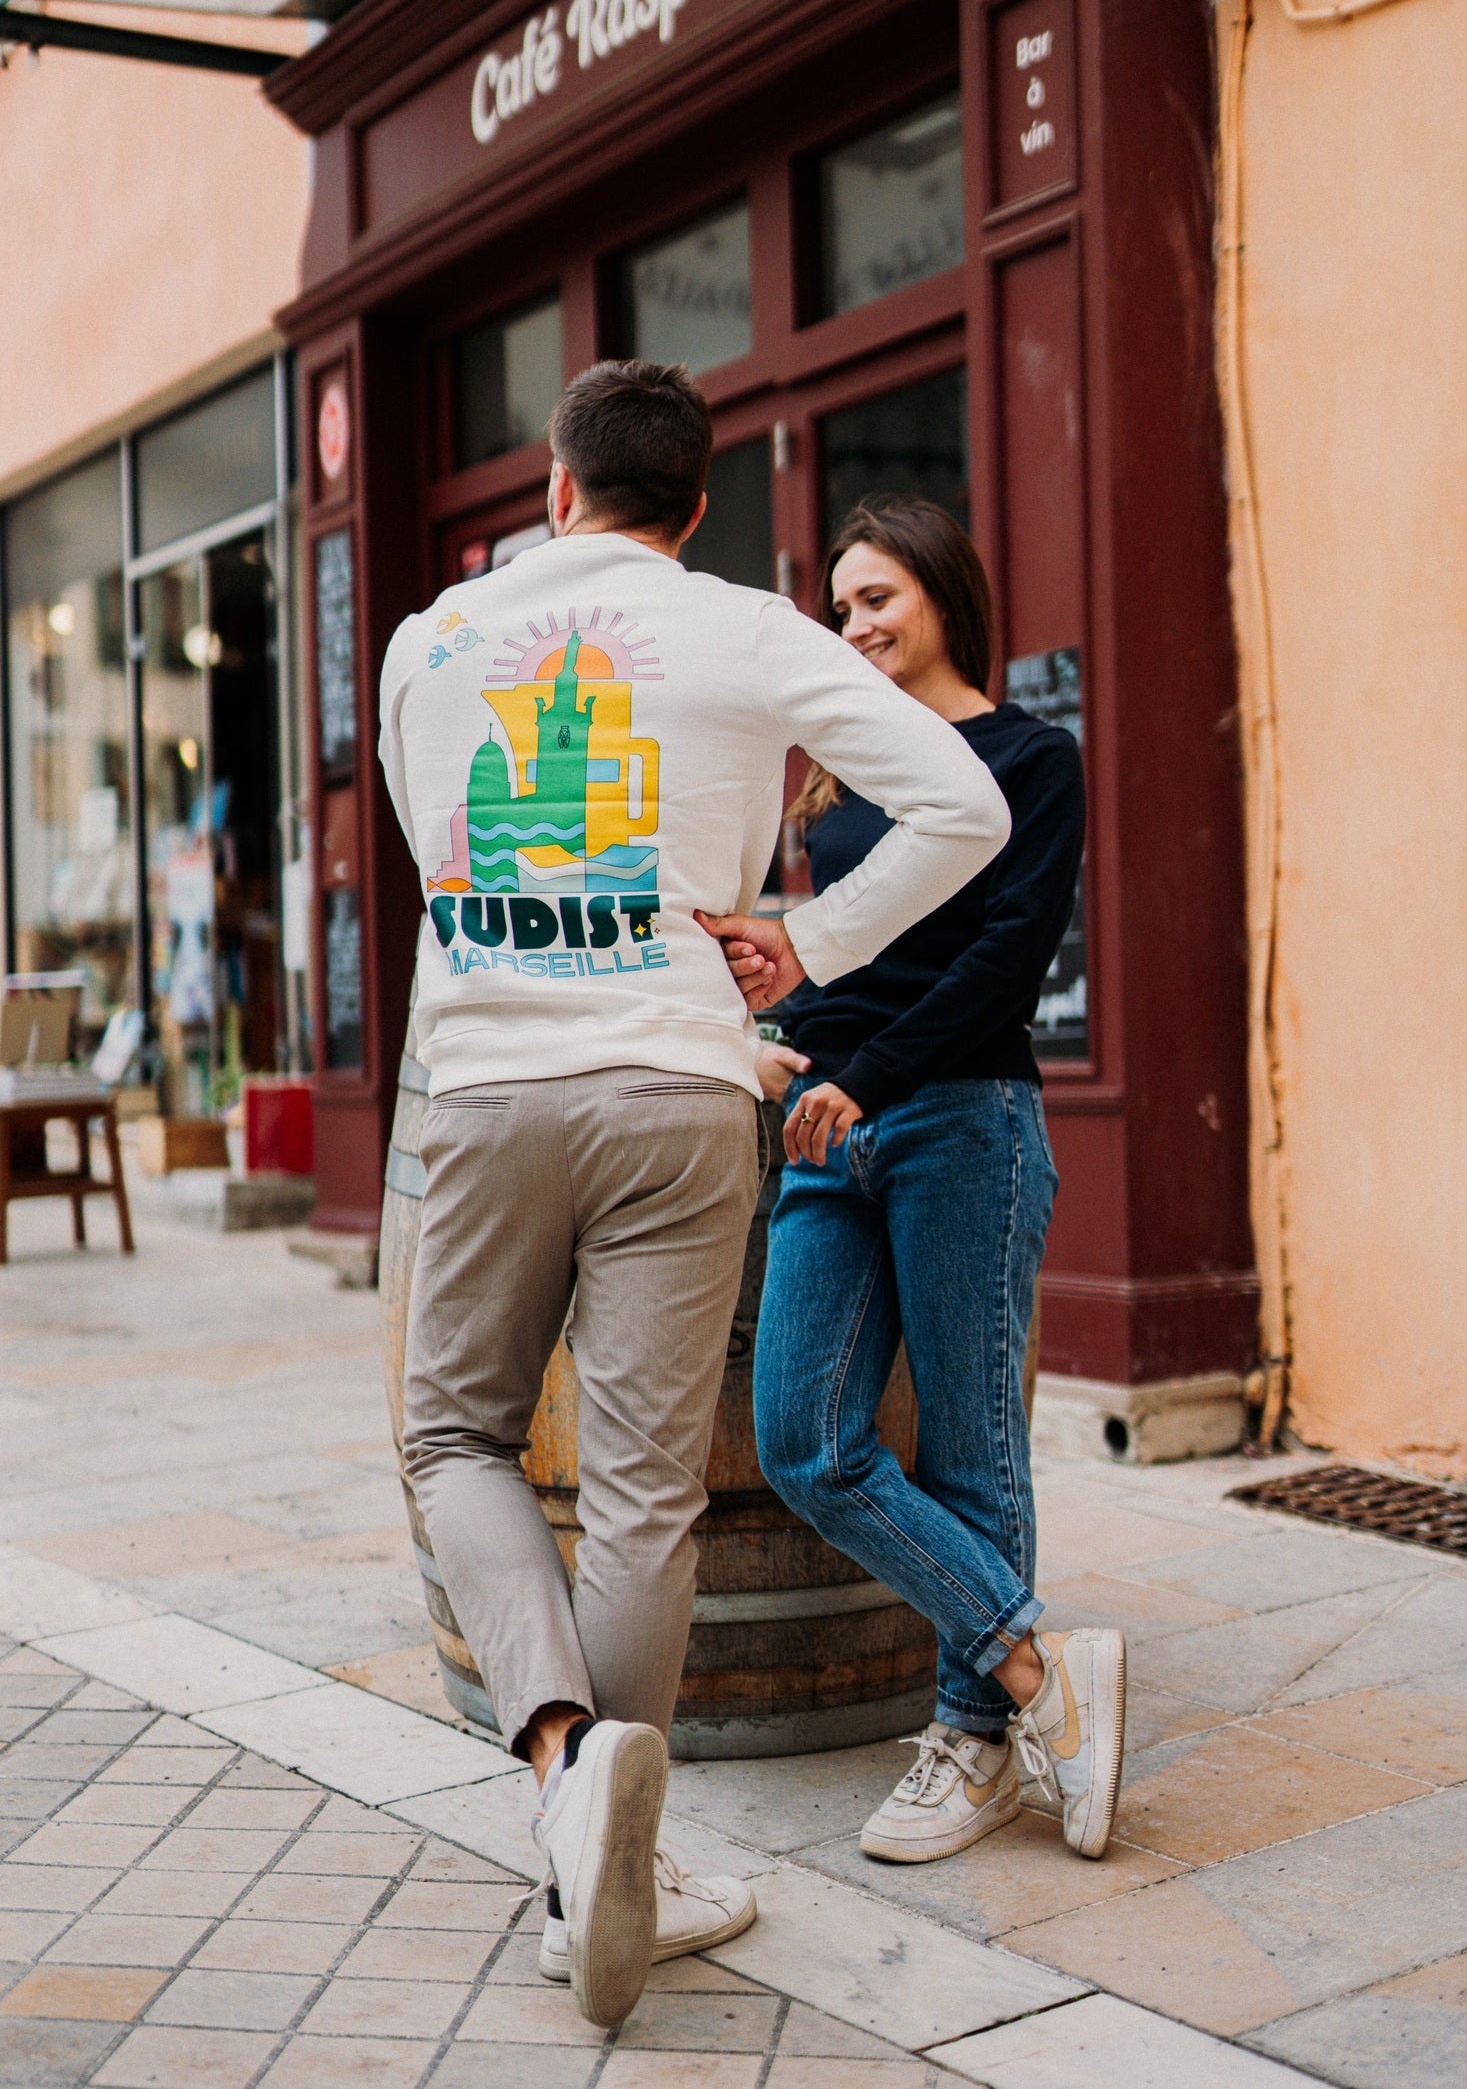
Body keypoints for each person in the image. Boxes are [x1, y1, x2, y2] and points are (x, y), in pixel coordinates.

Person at [378, 369, 1012, 2027]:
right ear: (697, 509)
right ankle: (622, 1857)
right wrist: (809, 940)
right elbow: (972, 802)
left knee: (454, 1438)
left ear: (555, 484)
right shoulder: (741, 628)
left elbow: (433, 847)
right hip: (677, 1081)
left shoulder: (428, 645)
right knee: (648, 1497)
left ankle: (565, 1779)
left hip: (491, 1082)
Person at [724, 496, 1126, 1867]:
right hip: (832, 1132)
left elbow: (1006, 963)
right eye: (841, 609)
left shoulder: (1029, 757)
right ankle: (1040, 1669)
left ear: (948, 591)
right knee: (805, 1440)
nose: (858, 627)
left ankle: (972, 1741)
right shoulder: (837, 776)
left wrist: (867, 1073)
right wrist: (773, 1046)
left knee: (970, 1448)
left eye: (879, 596)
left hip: (961, 1120)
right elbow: (823, 956)